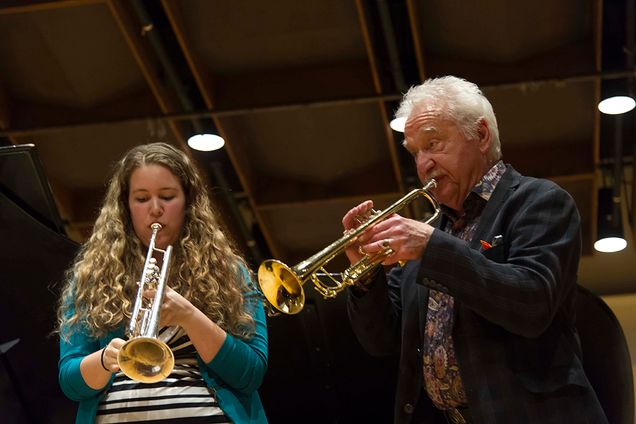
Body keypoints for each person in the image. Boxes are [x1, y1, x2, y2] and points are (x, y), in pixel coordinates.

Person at [343, 76, 607, 424]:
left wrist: (432, 248)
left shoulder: (539, 202)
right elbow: (382, 341)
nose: (424, 164)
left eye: (433, 143)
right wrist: (366, 275)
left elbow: (533, 303)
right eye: (416, 152)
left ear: (481, 136)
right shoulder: (430, 234)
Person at [57, 142, 268, 423]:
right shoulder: (92, 276)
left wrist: (191, 317)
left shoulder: (230, 272)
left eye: (167, 197)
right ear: (125, 206)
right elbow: (70, 383)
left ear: (188, 203)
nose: (155, 209)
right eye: (142, 199)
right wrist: (106, 359)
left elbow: (250, 373)